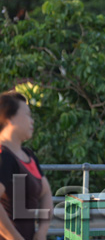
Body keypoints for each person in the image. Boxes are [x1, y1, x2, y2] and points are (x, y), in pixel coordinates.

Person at [0, 91, 53, 240]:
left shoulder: (28, 156)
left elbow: (46, 193)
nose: (32, 121)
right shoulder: (4, 157)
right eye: (27, 115)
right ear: (10, 118)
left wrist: (41, 233)